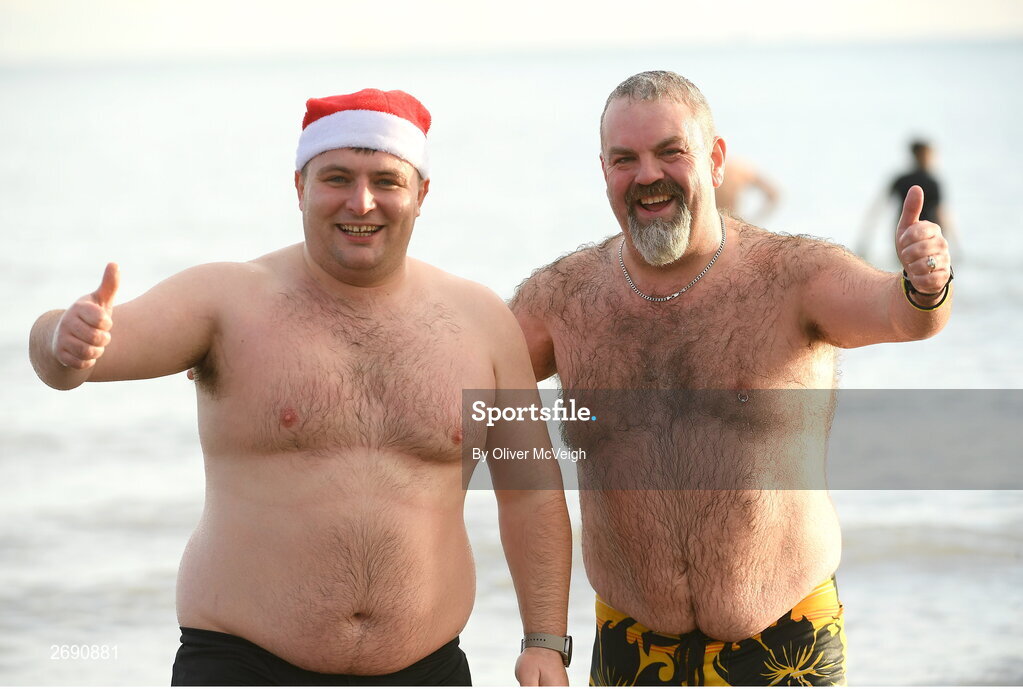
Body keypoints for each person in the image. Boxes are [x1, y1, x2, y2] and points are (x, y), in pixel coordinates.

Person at [29, 88, 572, 686]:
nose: (361, 202)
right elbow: (70, 361)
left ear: (421, 194)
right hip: (241, 663)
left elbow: (531, 492)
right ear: (299, 188)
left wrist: (544, 640)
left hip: (428, 668)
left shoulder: (480, 320)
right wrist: (64, 340)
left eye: (386, 181)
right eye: (337, 177)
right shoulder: (228, 300)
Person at [510, 71, 952, 686]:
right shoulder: (562, 300)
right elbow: (463, 398)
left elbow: (902, 315)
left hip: (785, 636)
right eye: (625, 159)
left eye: (670, 151)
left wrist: (925, 281)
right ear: (603, 169)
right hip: (631, 643)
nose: (647, 175)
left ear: (715, 159)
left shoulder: (793, 275)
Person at [857, 139, 960, 262]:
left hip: (902, 234)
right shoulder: (931, 182)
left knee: (903, 269)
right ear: (919, 155)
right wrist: (951, 245)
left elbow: (877, 209)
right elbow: (942, 214)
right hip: (925, 235)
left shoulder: (901, 179)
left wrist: (864, 241)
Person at [714, 155, 780, 223]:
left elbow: (773, 194)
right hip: (730, 221)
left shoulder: (710, 168)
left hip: (717, 221)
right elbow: (773, 194)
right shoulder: (740, 167)